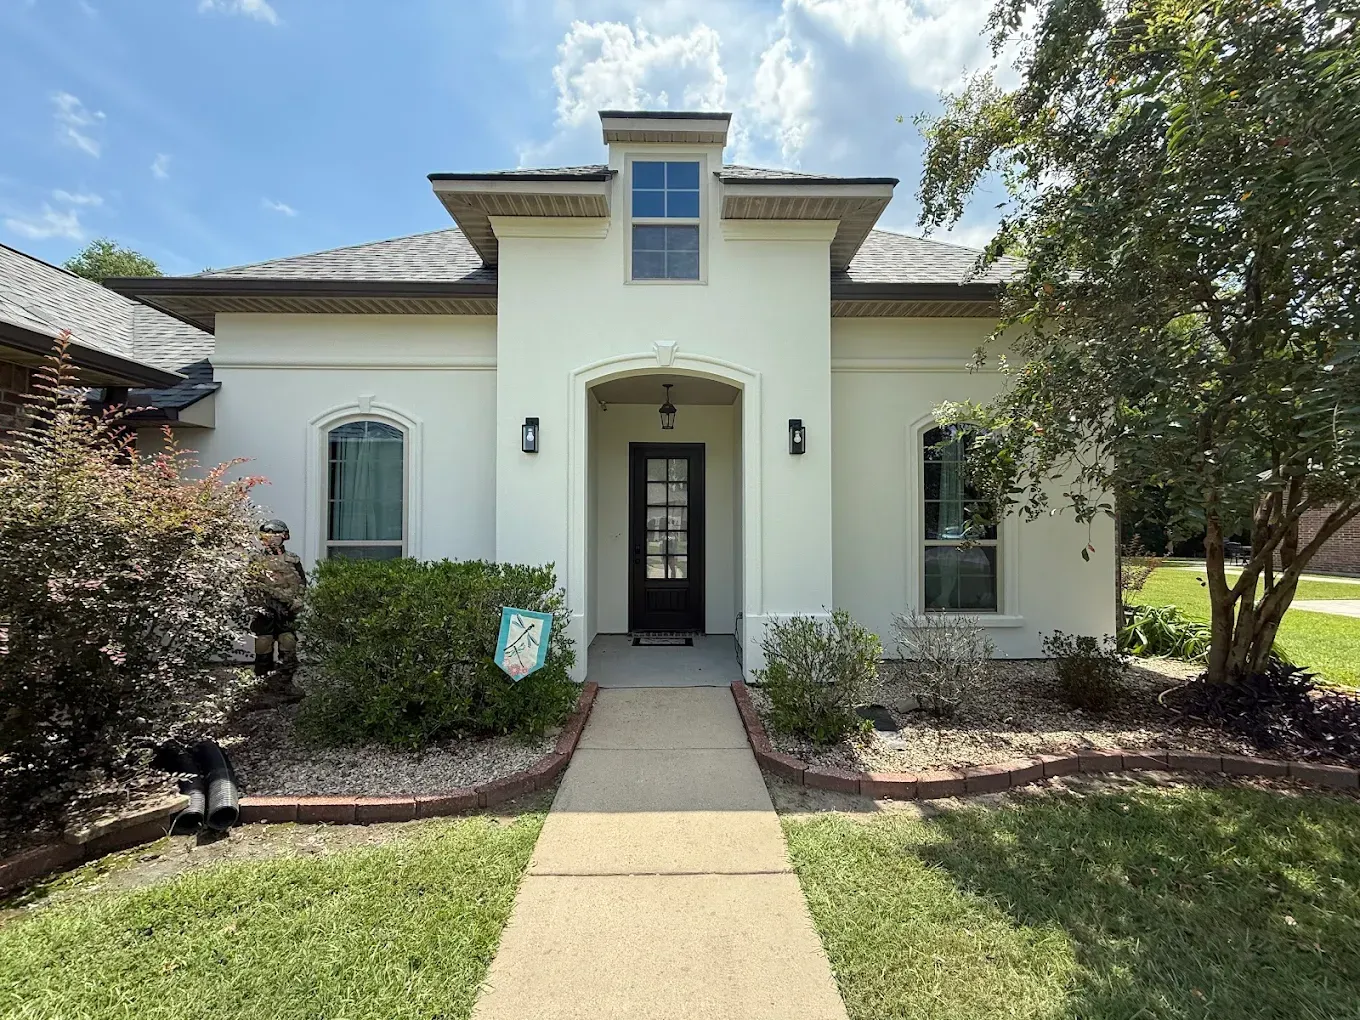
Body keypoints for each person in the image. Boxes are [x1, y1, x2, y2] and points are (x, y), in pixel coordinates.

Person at [247, 519, 306, 678]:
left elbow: (301, 583)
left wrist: (298, 600)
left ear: (284, 536)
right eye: (268, 536)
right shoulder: (256, 560)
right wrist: (257, 604)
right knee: (263, 642)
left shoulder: (292, 560)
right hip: (265, 608)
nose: (272, 539)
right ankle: (262, 680)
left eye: (276, 535)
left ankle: (285, 681)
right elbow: (250, 585)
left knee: (287, 640)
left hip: (287, 608)